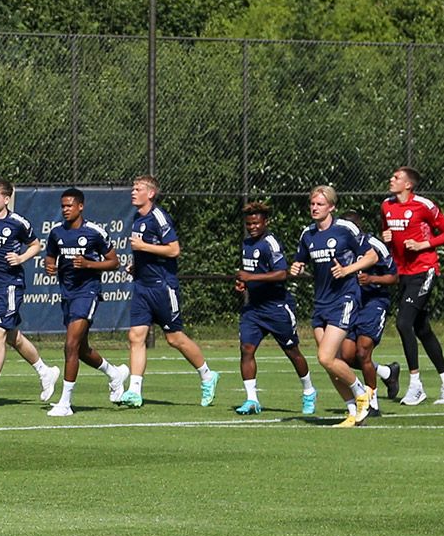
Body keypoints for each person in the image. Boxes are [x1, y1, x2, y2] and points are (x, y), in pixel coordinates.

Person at [123, 176, 220, 408]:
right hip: (142, 287)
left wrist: (144, 247)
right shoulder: (137, 218)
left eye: (138, 189)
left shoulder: (159, 217)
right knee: (136, 336)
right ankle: (134, 391)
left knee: (174, 338)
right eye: (133, 188)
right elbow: (147, 253)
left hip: (163, 287)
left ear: (151, 193)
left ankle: (207, 375)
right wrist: (136, 266)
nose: (133, 192)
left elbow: (174, 250)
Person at [289, 186, 377, 428]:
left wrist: (347, 270)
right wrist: (297, 268)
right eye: (312, 204)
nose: (314, 208)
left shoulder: (345, 229)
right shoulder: (307, 234)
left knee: (325, 357)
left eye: (320, 204)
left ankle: (362, 393)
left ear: (331, 207)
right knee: (331, 364)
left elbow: (371, 257)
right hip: (321, 303)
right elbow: (301, 260)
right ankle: (353, 411)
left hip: (344, 299)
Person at [0, 178, 58, 408]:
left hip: (10, 285)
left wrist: (21, 258)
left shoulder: (17, 223)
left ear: (6, 199)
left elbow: (36, 245)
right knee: (13, 336)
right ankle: (45, 371)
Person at [379, 167, 444, 405]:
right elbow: (387, 233)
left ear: (408, 185)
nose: (391, 179)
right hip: (403, 273)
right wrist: (385, 235)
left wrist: (423, 244)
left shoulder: (424, 205)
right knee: (422, 329)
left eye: (396, 177)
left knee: (403, 322)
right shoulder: (386, 206)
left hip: (424, 270)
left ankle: (415, 385)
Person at [43, 187, 127, 416]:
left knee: (70, 345)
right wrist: (49, 266)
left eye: (69, 205)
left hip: (87, 293)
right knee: (80, 349)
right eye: (63, 206)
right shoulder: (56, 233)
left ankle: (65, 403)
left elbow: (114, 262)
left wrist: (89, 264)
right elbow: (50, 257)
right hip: (67, 293)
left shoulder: (94, 232)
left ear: (81, 206)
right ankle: (114, 374)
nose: (65, 210)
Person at [233, 201, 315, 416]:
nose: (252, 227)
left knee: (292, 351)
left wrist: (251, 277)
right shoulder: (246, 244)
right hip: (253, 309)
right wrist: (244, 282)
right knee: (246, 350)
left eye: (256, 223)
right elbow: (249, 272)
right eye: (249, 223)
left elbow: (282, 274)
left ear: (265, 222)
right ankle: (251, 399)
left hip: (276, 307)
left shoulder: (271, 243)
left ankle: (308, 391)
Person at [343, 214, 397, 418]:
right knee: (346, 356)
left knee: (363, 352)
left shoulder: (374, 244)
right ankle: (386, 372)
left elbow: (394, 276)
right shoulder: (340, 246)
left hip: (374, 302)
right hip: (350, 303)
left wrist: (372, 278)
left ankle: (371, 401)